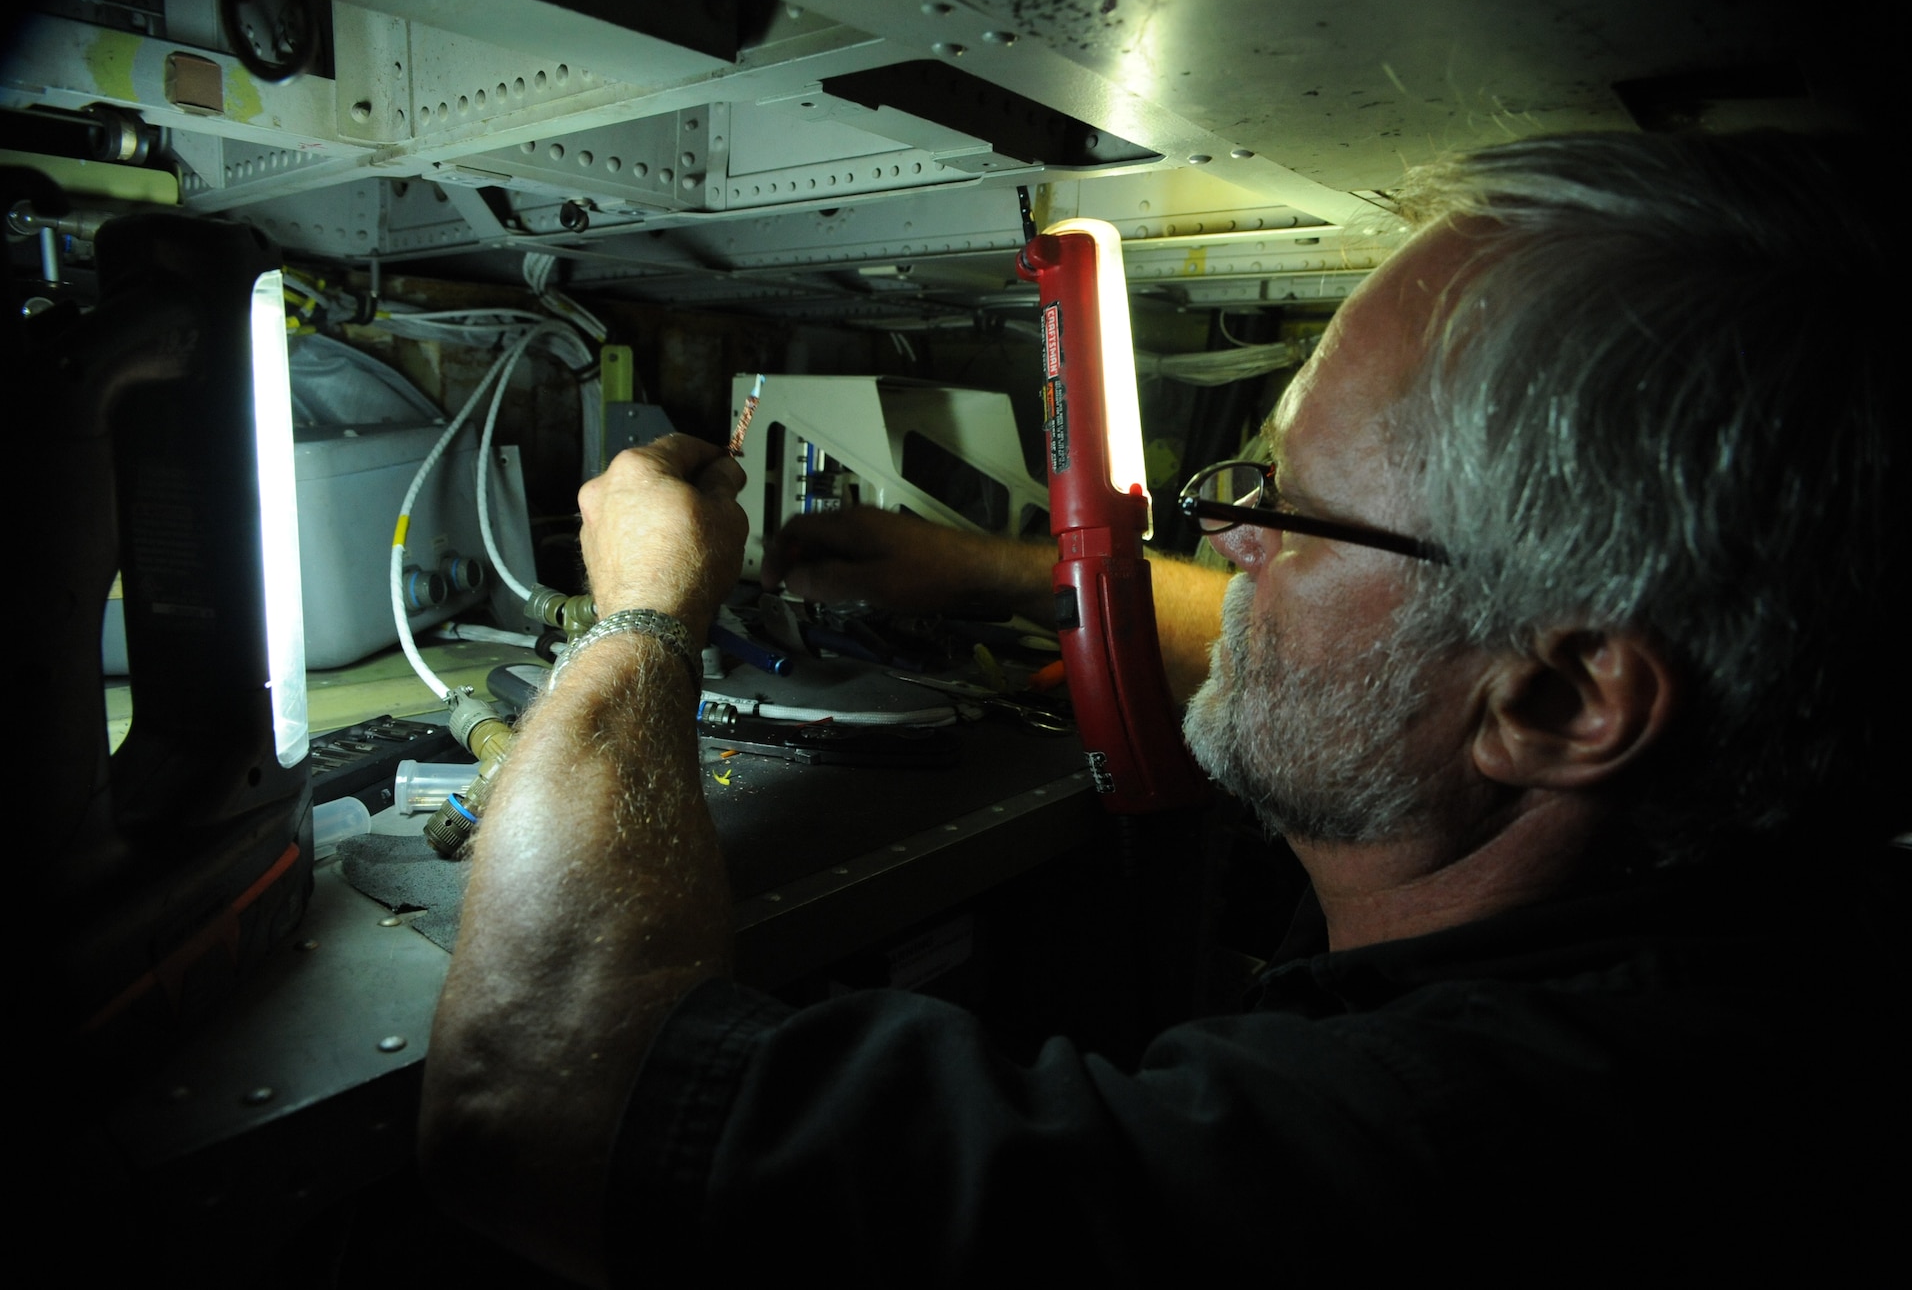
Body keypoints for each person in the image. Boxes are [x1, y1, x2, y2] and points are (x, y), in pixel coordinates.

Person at [418, 131, 1908, 1284]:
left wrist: (641, 616)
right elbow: (1376, 648)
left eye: (1292, 515)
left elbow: (542, 1098)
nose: (1232, 546)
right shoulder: (1744, 957)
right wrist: (1003, 572)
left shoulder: (1424, 1171)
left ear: (1568, 701)